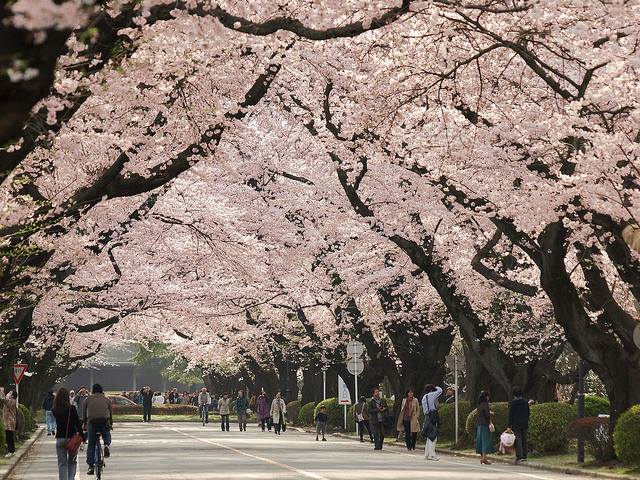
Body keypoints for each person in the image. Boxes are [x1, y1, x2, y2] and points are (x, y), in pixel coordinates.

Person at [52, 387, 85, 480]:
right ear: (67, 397)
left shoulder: (54, 410)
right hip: (72, 439)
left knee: (62, 463)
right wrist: (82, 436)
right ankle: (71, 478)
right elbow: (78, 423)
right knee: (72, 461)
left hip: (60, 438)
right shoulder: (72, 408)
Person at [83, 384, 113, 475]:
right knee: (106, 434)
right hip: (104, 421)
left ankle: (91, 466)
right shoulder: (107, 399)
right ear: (101, 390)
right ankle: (106, 445)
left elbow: (84, 413)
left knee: (91, 444)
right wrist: (110, 423)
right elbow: (110, 413)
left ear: (92, 390)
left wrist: (85, 423)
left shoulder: (87, 399)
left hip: (92, 422)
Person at [508, 387, 530, 463]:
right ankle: (525, 455)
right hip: (524, 423)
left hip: (516, 424)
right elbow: (528, 412)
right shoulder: (525, 402)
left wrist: (509, 426)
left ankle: (519, 456)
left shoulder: (513, 403)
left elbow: (511, 415)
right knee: (524, 439)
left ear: (514, 394)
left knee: (518, 439)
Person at [422, 384, 443, 460]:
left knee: (429, 436)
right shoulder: (432, 394)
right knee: (433, 436)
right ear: (431, 390)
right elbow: (440, 390)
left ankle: (426, 454)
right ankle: (432, 455)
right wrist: (435, 387)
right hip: (433, 417)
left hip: (427, 417)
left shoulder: (424, 397)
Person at [476, 390, 494, 465]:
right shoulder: (485, 404)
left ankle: (482, 457)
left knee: (480, 441)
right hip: (485, 425)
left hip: (480, 424)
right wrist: (491, 413)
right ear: (486, 397)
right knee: (485, 441)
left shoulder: (479, 404)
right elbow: (486, 414)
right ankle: (484, 458)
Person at [1, 390, 17, 457]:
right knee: (9, 437)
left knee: (9, 437)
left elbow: (3, 400)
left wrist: (1, 392)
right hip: (8, 421)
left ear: (12, 395)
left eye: (10, 393)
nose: (8, 393)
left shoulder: (12, 401)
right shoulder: (10, 400)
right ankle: (12, 451)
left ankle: (10, 451)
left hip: (10, 421)